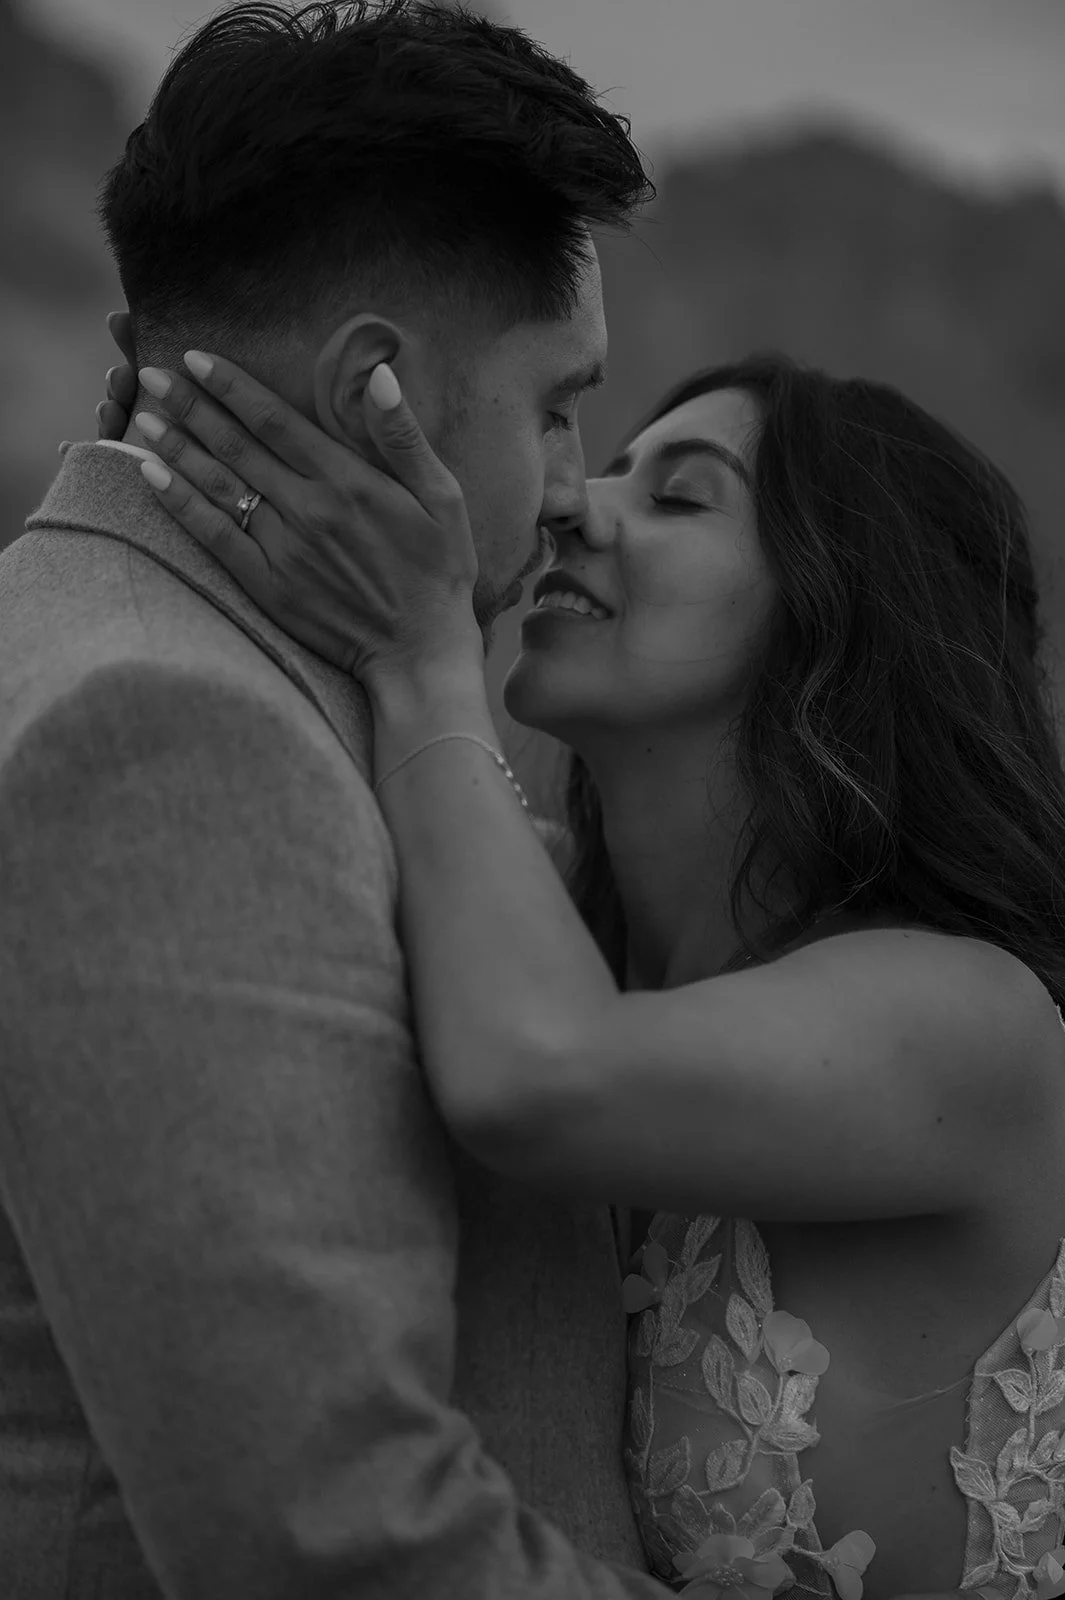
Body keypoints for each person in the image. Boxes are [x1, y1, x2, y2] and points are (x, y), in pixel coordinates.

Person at [90, 328, 1065, 1600]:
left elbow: (531, 1075)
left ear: (842, 614)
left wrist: (430, 658)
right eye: (597, 464)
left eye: (676, 496)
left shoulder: (975, 1021)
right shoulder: (547, 925)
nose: (568, 505)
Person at [0, 2, 689, 1595]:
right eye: (558, 405)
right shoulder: (169, 731)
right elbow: (323, 1530)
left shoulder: (116, 646)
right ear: (378, 391)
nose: (577, 487)